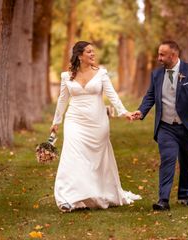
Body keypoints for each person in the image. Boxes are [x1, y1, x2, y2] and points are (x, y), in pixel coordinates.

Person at [50, 41, 141, 212]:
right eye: (89, 52)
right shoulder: (66, 76)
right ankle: (69, 198)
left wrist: (124, 112)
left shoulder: (101, 74)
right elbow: (62, 100)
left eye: (93, 51)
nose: (93, 54)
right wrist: (56, 122)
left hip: (97, 122)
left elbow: (112, 96)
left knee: (95, 161)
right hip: (74, 120)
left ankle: (93, 193)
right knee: (73, 157)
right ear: (79, 55)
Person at [132, 40, 188, 211]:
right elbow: (150, 96)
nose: (158, 58)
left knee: (187, 162)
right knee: (168, 159)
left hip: (187, 126)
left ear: (173, 55)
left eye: (162, 55)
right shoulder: (156, 75)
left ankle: (184, 195)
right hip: (166, 126)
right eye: (158, 54)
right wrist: (141, 111)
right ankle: (163, 200)